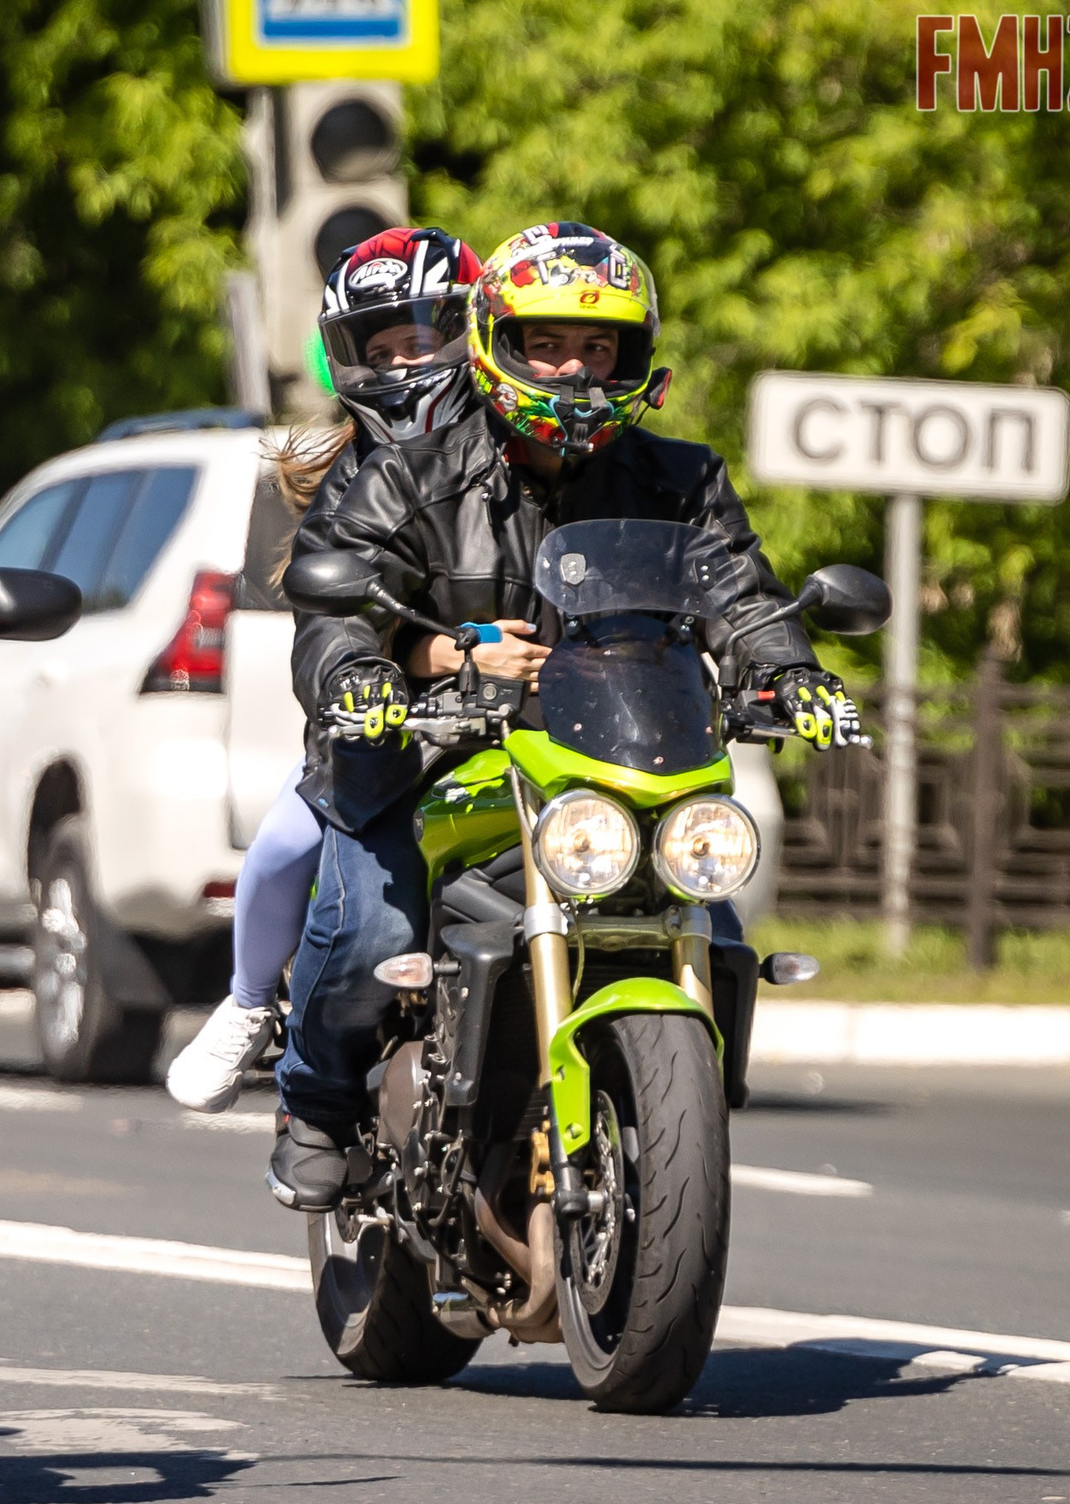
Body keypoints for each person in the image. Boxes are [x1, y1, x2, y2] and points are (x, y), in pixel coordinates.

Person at [264, 222, 863, 1210]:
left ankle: (667, 1122)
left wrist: (790, 674)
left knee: (712, 925)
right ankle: (317, 1106)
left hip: (611, 762)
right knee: (371, 930)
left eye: (597, 347)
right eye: (546, 344)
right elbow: (337, 611)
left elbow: (744, 597)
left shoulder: (680, 480)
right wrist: (363, 677)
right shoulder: (407, 474)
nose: (574, 369)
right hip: (428, 758)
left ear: (633, 355)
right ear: (495, 342)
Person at [165, 226, 502, 1113]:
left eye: (418, 339)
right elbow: (339, 621)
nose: (401, 364)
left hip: (539, 726)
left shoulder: (531, 449)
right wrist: (423, 657)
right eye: (377, 350)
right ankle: (248, 1003)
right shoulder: (357, 478)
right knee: (287, 840)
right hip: (399, 733)